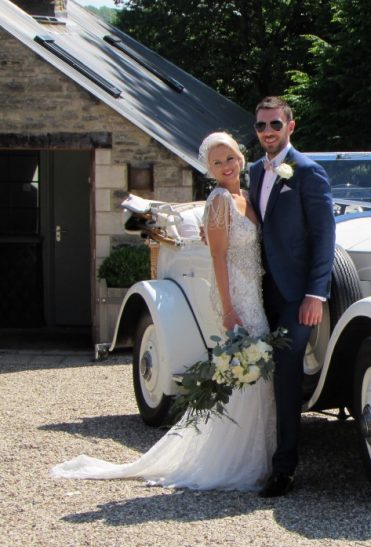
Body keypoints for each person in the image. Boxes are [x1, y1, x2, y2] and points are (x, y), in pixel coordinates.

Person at [51, 132, 276, 492]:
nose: (226, 167)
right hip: (236, 293)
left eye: (230, 159)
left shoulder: (245, 197)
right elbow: (217, 256)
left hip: (254, 287)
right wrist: (229, 308)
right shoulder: (219, 200)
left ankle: (257, 455)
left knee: (257, 375)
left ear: (240, 157)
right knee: (247, 373)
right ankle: (241, 462)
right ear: (209, 169)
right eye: (217, 163)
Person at [249, 96, 335, 497]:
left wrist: (315, 294)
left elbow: (324, 238)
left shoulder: (308, 172)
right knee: (252, 368)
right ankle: (254, 453)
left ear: (290, 127)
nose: (268, 132)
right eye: (261, 126)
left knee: (286, 372)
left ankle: (284, 468)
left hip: (297, 296)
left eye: (275, 126)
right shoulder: (252, 172)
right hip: (258, 289)